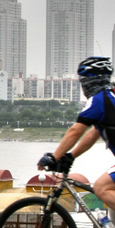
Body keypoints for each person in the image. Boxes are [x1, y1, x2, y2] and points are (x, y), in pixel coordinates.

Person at [37, 56, 115, 209]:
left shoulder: (99, 100)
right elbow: (94, 132)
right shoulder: (110, 96)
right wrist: (71, 156)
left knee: (101, 188)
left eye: (82, 81)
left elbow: (76, 131)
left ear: (90, 81)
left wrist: (54, 157)